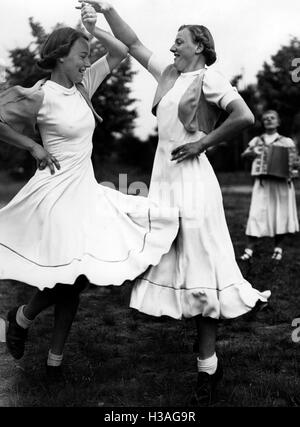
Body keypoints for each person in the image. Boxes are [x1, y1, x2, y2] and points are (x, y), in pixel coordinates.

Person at [79, 0, 271, 405]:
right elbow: (131, 43)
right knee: (161, 257)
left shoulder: (210, 78)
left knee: (202, 266)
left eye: (179, 41)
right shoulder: (168, 75)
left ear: (199, 46)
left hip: (194, 184)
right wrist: (103, 15)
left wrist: (202, 142)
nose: (172, 47)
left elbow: (245, 117)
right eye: (173, 41)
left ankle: (207, 367)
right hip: (163, 184)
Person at [0, 5, 178, 378]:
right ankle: (24, 320)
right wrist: (32, 146)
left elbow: (120, 52)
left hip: (85, 191)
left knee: (78, 279)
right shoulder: (39, 94)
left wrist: (93, 29)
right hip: (54, 194)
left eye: (86, 56)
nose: (86, 62)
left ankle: (50, 355)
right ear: (60, 56)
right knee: (70, 276)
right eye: (81, 56)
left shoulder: (84, 86)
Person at [240, 110, 299, 262]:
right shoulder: (257, 141)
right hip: (263, 182)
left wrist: (293, 170)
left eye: (272, 118)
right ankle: (249, 249)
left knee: (280, 214)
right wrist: (252, 153)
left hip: (281, 184)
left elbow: (294, 164)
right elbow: (244, 155)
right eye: (265, 119)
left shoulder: (286, 142)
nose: (268, 120)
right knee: (256, 213)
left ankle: (278, 248)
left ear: (278, 122)